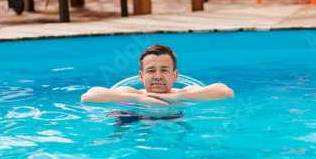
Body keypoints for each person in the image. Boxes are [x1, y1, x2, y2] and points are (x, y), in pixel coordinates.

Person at [81, 44, 234, 105]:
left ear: (174, 76)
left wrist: (178, 98)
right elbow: (88, 97)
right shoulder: (131, 93)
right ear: (141, 76)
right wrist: (138, 99)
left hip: (177, 125)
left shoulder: (183, 93)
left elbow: (226, 92)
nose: (158, 76)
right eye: (151, 70)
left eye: (164, 70)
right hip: (134, 126)